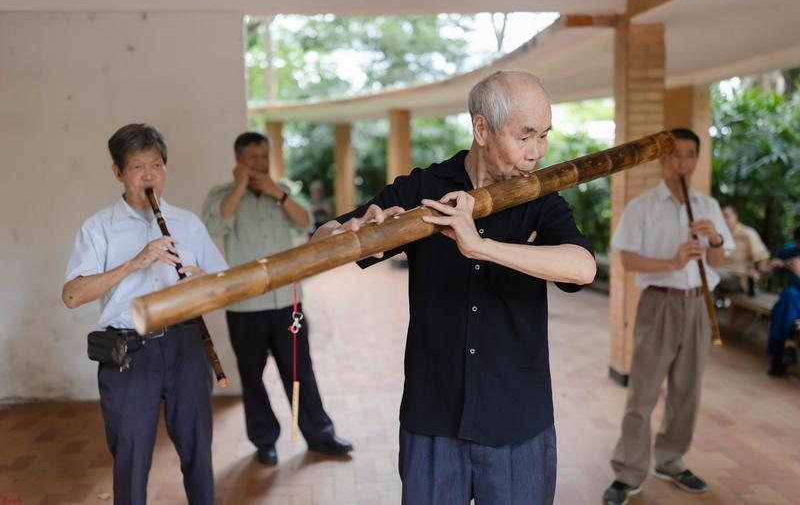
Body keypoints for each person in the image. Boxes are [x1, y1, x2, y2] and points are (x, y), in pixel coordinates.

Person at [313, 70, 596, 505]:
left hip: (517, 419)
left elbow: (582, 268)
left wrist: (481, 246)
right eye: (525, 136)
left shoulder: (539, 196)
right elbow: (322, 241)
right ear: (482, 129)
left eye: (543, 136)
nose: (536, 152)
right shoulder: (424, 189)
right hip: (433, 418)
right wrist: (348, 232)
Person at [62, 124, 228, 505]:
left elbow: (224, 286)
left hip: (187, 344)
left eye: (157, 165)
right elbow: (72, 295)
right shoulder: (98, 228)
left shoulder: (187, 222)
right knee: (131, 457)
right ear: (118, 173)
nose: (150, 175)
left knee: (198, 451)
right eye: (138, 167)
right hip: (129, 351)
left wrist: (206, 281)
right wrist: (134, 263)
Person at [202, 132, 352, 466]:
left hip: (287, 301)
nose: (259, 163)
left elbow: (306, 222)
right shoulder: (221, 195)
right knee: (252, 378)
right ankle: (265, 441)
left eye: (263, 156)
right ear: (238, 160)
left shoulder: (281, 188)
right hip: (245, 305)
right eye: (252, 158)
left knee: (300, 371)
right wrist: (241, 186)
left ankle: (319, 435)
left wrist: (278, 194)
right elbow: (217, 225)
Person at [602, 128, 734, 505]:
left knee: (687, 390)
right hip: (659, 303)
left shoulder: (707, 206)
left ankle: (671, 460)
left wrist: (716, 240)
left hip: (697, 304)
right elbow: (626, 259)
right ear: (663, 159)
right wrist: (671, 262)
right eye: (675, 155)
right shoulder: (642, 206)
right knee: (643, 391)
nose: (683, 163)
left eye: (690, 155)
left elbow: (720, 260)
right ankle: (628, 472)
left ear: (696, 160)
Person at [766, 225, 800, 376]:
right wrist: (773, 265)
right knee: (788, 297)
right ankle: (787, 348)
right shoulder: (790, 250)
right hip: (793, 303)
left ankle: (778, 358)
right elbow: (768, 268)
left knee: (782, 306)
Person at [716, 204, 770, 295]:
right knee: (705, 277)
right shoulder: (718, 234)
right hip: (720, 272)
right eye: (721, 217)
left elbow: (763, 257)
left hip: (739, 276)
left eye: (726, 216)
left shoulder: (748, 233)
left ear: (735, 216)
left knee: (709, 276)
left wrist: (757, 272)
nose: (724, 220)